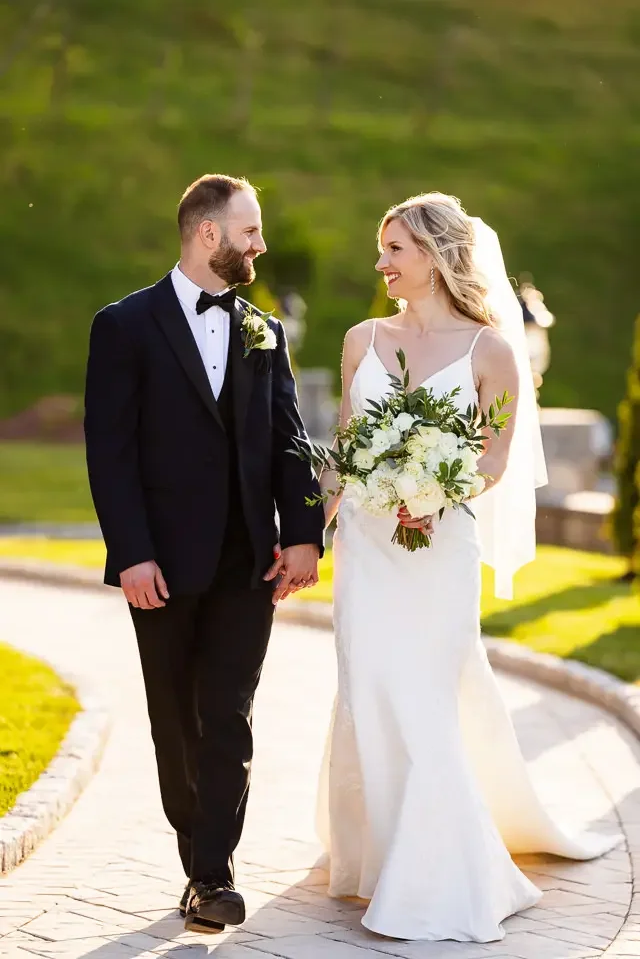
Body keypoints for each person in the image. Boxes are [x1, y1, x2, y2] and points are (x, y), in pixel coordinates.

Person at [316, 192, 620, 942]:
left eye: (395, 249)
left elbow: (493, 458)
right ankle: (381, 853)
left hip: (440, 549)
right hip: (369, 546)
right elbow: (347, 452)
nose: (381, 262)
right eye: (381, 248)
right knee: (371, 685)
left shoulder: (492, 351)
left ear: (439, 255)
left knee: (423, 693)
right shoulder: (361, 339)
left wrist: (429, 492)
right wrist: (311, 532)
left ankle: (441, 877)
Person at [84, 174, 324, 934]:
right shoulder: (124, 326)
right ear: (208, 234)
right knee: (174, 720)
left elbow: (291, 440)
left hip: (247, 562)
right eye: (250, 231)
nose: (261, 245)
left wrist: (305, 534)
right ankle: (198, 852)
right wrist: (131, 553)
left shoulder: (265, 330)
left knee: (229, 714)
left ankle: (213, 876)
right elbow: (110, 452)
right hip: (160, 563)